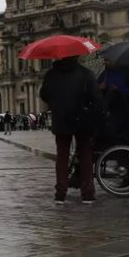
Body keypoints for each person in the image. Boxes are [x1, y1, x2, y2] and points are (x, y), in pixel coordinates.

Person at [40, 56, 99, 204]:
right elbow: (96, 96)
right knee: (86, 156)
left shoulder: (51, 74)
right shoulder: (86, 73)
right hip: (82, 119)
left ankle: (60, 194)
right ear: (77, 56)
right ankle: (88, 193)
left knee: (62, 157)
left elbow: (44, 94)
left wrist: (56, 103)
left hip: (61, 119)